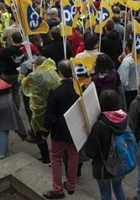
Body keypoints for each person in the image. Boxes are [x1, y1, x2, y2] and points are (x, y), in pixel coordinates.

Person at [43, 60, 80, 199]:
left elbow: (49, 114)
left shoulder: (55, 91)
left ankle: (57, 189)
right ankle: (71, 185)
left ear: (59, 72)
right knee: (73, 156)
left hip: (59, 131)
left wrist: (45, 131)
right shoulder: (79, 88)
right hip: (75, 129)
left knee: (56, 158)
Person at [83, 90, 129, 200]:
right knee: (119, 189)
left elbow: (90, 152)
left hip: (103, 167)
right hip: (120, 163)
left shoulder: (99, 125)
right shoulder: (125, 119)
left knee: (105, 194)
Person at [22, 57, 60, 165]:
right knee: (54, 132)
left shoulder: (34, 75)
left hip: (38, 109)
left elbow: (25, 85)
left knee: (39, 133)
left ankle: (46, 158)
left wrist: (22, 77)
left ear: (36, 65)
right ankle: (57, 155)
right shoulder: (54, 73)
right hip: (53, 107)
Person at [0, 31, 25, 109]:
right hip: (18, 74)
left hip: (7, 74)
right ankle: (16, 109)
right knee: (16, 92)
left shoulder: (7, 50)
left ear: (11, 39)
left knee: (5, 93)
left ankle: (7, 109)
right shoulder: (23, 50)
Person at [119, 39, 140, 109]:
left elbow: (123, 80)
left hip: (128, 91)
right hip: (137, 88)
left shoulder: (127, 61)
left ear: (127, 48)